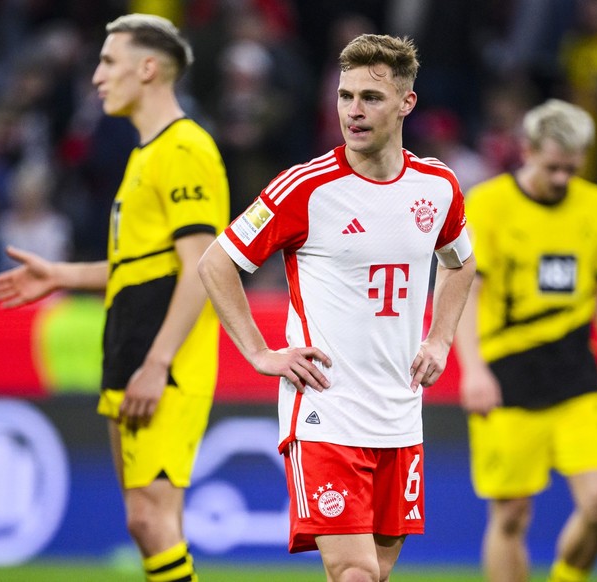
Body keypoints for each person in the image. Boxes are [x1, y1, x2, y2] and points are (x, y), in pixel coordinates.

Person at [197, 33, 475, 582]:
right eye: (345, 96)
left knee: (373, 573)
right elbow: (216, 263)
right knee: (355, 573)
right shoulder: (306, 187)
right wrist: (259, 352)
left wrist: (441, 338)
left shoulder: (438, 186)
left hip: (399, 413)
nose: (353, 110)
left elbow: (461, 262)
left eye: (370, 97)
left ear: (406, 103)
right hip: (327, 411)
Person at [0, 14, 230, 582]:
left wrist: (158, 362)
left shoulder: (186, 148)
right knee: (146, 521)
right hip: (129, 349)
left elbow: (202, 267)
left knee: (151, 519)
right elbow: (141, 266)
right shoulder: (145, 154)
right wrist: (62, 275)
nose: (97, 77)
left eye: (108, 62)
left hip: (163, 361)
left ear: (148, 69)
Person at [454, 99, 597, 582]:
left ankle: (566, 576)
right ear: (528, 150)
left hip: (577, 377)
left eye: (572, 168)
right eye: (553, 167)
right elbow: (466, 293)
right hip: (507, 376)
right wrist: (472, 371)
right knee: (511, 514)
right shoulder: (489, 204)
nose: (562, 178)